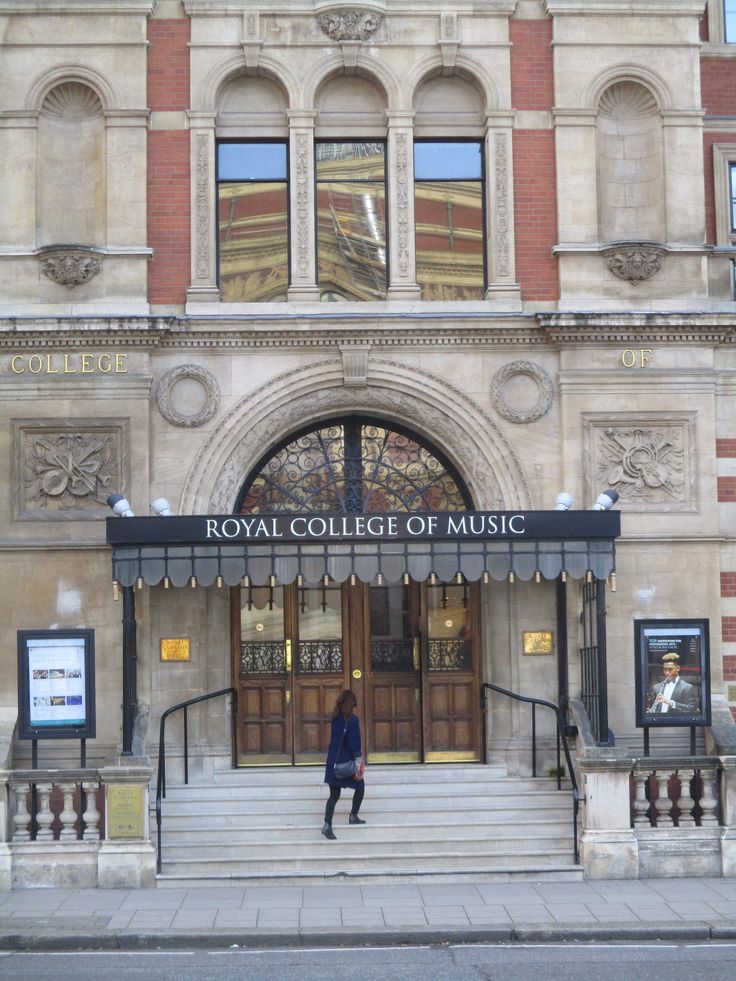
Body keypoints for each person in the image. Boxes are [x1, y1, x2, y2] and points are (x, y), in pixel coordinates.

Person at [322, 689, 366, 840]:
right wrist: (359, 761)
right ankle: (353, 815)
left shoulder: (335, 718)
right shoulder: (352, 720)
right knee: (360, 787)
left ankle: (327, 824)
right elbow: (354, 743)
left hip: (333, 763)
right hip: (347, 762)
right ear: (352, 704)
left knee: (333, 796)